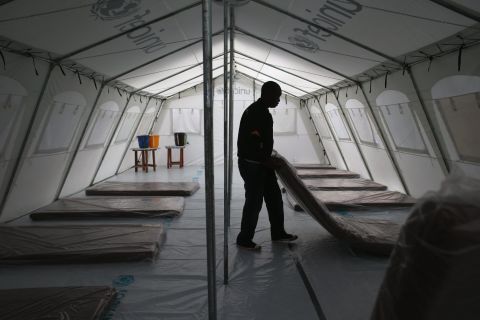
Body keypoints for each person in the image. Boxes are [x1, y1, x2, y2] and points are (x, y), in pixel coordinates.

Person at [236, 81, 298, 250]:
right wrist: (266, 160)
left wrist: (269, 158)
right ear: (267, 94)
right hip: (252, 165)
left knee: (275, 198)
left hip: (261, 163)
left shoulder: (262, 111)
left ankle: (278, 233)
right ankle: (244, 239)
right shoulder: (256, 113)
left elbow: (262, 142)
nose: (278, 100)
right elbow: (252, 143)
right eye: (277, 96)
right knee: (254, 202)